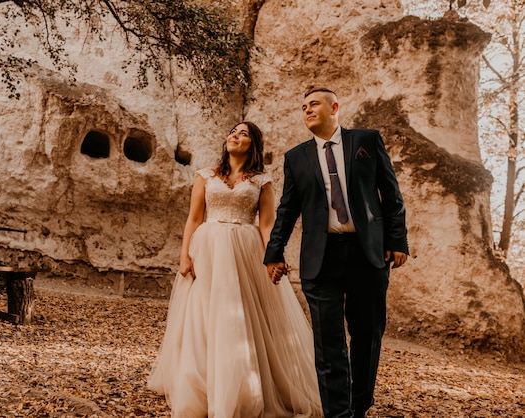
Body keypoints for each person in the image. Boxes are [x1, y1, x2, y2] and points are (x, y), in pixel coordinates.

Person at [148, 122, 323, 417]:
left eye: (243, 133)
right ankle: (200, 386)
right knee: (203, 314)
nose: (235, 136)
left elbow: (267, 224)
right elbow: (193, 218)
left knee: (239, 315)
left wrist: (274, 257)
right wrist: (184, 257)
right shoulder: (206, 175)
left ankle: (240, 387)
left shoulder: (261, 182)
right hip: (208, 248)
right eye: (232, 132)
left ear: (253, 143)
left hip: (245, 249)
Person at [264, 87, 409, 418]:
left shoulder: (367, 141)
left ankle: (360, 406)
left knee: (367, 334)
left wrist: (397, 240)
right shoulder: (296, 157)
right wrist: (275, 251)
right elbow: (287, 210)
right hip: (320, 257)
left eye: (314, 104)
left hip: (367, 253)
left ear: (335, 107)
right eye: (303, 107)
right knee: (328, 343)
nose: (307, 110)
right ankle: (338, 414)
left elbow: (391, 193)